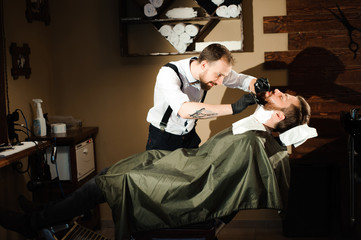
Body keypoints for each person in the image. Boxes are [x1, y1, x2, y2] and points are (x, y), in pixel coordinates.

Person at [0, 89, 312, 240]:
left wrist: (178, 167)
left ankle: (32, 223)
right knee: (112, 171)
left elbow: (207, 180)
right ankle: (44, 215)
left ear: (280, 116)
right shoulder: (255, 132)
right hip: (181, 168)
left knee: (106, 182)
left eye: (284, 97)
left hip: (183, 187)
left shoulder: (252, 140)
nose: (278, 92)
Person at [146, 43, 270, 151]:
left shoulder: (213, 68)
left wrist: (256, 84)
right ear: (204, 65)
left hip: (189, 137)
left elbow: (240, 80)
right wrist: (234, 108)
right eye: (219, 75)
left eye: (224, 76)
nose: (221, 82)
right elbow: (184, 110)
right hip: (163, 139)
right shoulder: (169, 73)